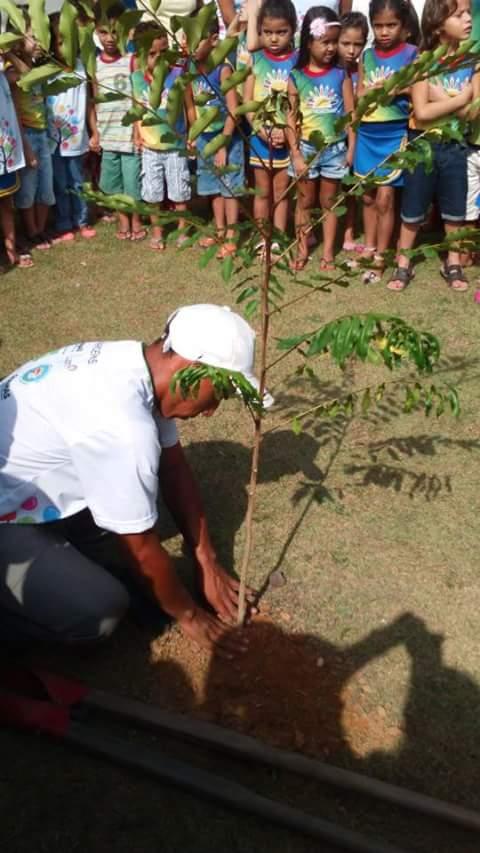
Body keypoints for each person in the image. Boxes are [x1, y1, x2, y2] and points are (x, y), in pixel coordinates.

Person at [0, 304, 270, 655]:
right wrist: (189, 615)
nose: (210, 411)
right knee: (100, 609)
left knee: (140, 492)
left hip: (22, 480)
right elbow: (139, 548)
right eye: (217, 393)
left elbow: (173, 467)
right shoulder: (123, 427)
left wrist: (206, 560)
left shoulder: (136, 364)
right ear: (191, 370)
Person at [388, 0, 474, 291]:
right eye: (459, 14)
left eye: (468, 13)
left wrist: (437, 95)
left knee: (455, 210)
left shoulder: (473, 61)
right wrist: (459, 99)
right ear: (438, 25)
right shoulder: (422, 61)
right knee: (412, 208)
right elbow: (422, 114)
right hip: (422, 143)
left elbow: (472, 112)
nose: (468, 19)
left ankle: (453, 263)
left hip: (455, 146)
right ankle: (403, 264)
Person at [353, 0, 417, 282]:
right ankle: (368, 246)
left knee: (386, 197)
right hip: (368, 131)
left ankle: (381, 254)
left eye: (391, 25)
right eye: (378, 26)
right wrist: (368, 92)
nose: (384, 31)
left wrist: (393, 88)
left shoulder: (412, 53)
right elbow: (359, 92)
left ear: (403, 27)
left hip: (394, 132)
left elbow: (418, 87)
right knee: (367, 195)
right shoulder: (366, 56)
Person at [287, 6, 355, 270]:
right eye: (324, 42)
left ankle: (328, 251)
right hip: (305, 149)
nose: (330, 48)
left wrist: (350, 150)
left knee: (329, 203)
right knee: (304, 203)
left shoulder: (341, 75)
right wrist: (295, 154)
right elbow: (290, 119)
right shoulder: (296, 77)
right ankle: (302, 249)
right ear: (308, 41)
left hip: (335, 149)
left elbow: (351, 115)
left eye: (334, 42)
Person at [131, 23, 192, 251]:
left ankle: (183, 230)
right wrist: (137, 133)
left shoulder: (178, 75)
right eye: (152, 54)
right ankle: (157, 231)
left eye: (164, 52)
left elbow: (190, 107)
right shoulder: (136, 79)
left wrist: (192, 134)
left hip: (175, 145)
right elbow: (137, 108)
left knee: (179, 191)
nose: (159, 58)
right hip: (149, 147)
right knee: (153, 192)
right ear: (139, 55)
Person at [243, 0, 298, 251]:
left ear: (293, 30)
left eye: (281, 32)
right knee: (262, 192)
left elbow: (301, 104)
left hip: (288, 138)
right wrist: (261, 131)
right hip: (259, 137)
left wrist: (287, 133)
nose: (274, 38)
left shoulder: (298, 61)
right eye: (267, 32)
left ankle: (277, 238)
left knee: (281, 191)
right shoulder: (254, 59)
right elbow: (247, 103)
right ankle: (261, 237)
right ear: (260, 31)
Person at [191, 16, 246, 259]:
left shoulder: (223, 70)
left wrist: (223, 144)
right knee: (213, 187)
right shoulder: (190, 69)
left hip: (227, 139)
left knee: (230, 188)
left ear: (214, 40)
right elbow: (190, 106)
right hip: (204, 139)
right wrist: (193, 135)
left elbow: (234, 110)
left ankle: (232, 238)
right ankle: (220, 230)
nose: (189, 45)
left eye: (196, 40)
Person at [92, 2, 146, 241]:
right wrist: (94, 132)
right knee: (112, 184)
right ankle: (122, 220)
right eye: (104, 32)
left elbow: (138, 99)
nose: (110, 38)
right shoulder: (94, 65)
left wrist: (137, 131)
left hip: (128, 136)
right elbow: (92, 102)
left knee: (132, 183)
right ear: (96, 31)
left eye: (115, 31)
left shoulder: (131, 60)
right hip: (107, 136)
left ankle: (136, 220)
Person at [46, 13, 97, 242]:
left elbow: (87, 104)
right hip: (52, 140)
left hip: (76, 140)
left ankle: (81, 220)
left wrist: (94, 130)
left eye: (69, 41)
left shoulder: (80, 68)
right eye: (59, 41)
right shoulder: (46, 72)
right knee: (60, 183)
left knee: (78, 181)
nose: (64, 46)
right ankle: (63, 223)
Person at [7, 28, 56, 251]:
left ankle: (40, 229)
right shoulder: (12, 71)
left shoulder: (40, 66)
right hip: (26, 133)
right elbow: (24, 79)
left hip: (43, 133)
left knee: (45, 185)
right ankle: (31, 231)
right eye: (32, 37)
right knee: (28, 189)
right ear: (18, 41)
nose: (38, 41)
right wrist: (9, 55)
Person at [337, 11, 368, 253]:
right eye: (345, 43)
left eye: (358, 44)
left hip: (357, 136)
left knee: (352, 188)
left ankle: (348, 231)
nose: (351, 50)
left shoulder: (363, 71)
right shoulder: (331, 71)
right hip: (330, 136)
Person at [0, 63, 32, 268]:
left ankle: (11, 250)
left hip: (5, 151)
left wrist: (8, 54)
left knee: (6, 204)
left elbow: (27, 73)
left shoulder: (4, 71)